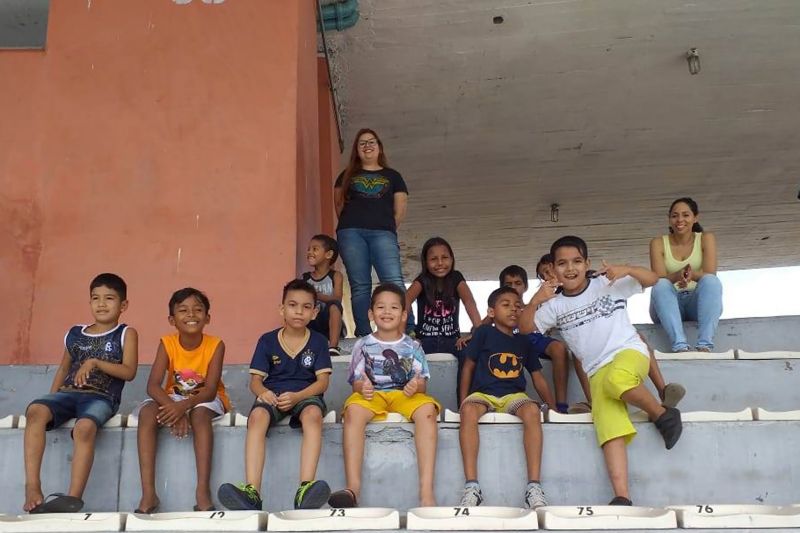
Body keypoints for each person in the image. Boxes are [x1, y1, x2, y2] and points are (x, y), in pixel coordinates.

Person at [521, 236, 682, 505]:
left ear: (587, 263)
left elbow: (654, 278)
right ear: (554, 268)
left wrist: (627, 269)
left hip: (628, 353)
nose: (569, 268)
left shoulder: (606, 282)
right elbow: (526, 329)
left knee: (617, 380)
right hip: (596, 372)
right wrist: (535, 301)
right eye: (562, 263)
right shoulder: (554, 304)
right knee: (609, 430)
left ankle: (662, 414)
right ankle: (622, 496)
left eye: (576, 261)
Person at [23, 273, 138, 513]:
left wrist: (95, 362)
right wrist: (51, 400)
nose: (102, 304)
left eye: (109, 298)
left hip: (101, 397)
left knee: (84, 427)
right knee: (35, 410)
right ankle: (33, 486)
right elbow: (64, 367)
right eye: (95, 298)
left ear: (123, 305)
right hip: (66, 394)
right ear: (89, 302)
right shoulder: (75, 333)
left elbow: (129, 372)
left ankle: (73, 497)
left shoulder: (126, 333)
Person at [217, 280, 332, 511]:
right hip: (274, 394)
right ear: (282, 309)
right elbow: (255, 382)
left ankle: (305, 488)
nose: (299, 311)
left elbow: (322, 383)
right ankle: (252, 493)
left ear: (314, 312)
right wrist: (264, 394)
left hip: (305, 394)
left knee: (312, 415)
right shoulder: (267, 340)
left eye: (306, 306)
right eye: (292, 305)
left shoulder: (319, 341)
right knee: (257, 417)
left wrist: (299, 397)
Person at [328, 283, 440, 508]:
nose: (387, 312)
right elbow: (356, 382)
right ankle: (353, 489)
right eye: (380, 307)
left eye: (394, 308)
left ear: (403, 314)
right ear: (371, 313)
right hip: (373, 396)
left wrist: (413, 387)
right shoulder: (363, 345)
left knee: (427, 411)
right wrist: (363, 388)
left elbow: (422, 384)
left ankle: (427, 493)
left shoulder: (413, 346)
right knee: (353, 412)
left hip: (403, 395)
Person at [458, 286, 555, 509]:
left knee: (532, 410)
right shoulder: (484, 333)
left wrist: (552, 406)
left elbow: (537, 376)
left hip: (514, 395)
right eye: (506, 305)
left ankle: (534, 487)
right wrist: (462, 400)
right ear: (491, 312)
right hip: (483, 394)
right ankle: (472, 487)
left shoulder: (524, 341)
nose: (514, 309)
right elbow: (468, 366)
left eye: (518, 306)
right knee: (470, 410)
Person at [135, 288, 230, 514]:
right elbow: (153, 385)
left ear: (207, 317)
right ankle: (148, 494)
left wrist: (183, 408)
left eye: (198, 310)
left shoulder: (216, 344)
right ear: (172, 319)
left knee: (199, 415)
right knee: (147, 413)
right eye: (183, 310)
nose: (191, 315)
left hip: (207, 399)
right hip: (174, 398)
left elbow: (209, 389)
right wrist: (173, 407)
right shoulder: (167, 343)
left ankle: (202, 492)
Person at [334, 128, 413, 337]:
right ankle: (363, 332)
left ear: (379, 147)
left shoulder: (393, 176)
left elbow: (400, 210)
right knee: (360, 284)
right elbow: (339, 206)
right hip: (351, 232)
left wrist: (384, 228)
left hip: (383, 233)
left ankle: (407, 329)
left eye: (371, 142)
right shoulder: (346, 176)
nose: (367, 146)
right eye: (362, 143)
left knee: (393, 280)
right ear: (356, 150)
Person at [405, 237, 481, 403]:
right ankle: (411, 403)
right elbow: (404, 302)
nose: (440, 263)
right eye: (433, 259)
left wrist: (478, 331)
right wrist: (403, 335)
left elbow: (469, 302)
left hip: (453, 340)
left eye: (445, 257)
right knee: (406, 357)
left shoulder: (456, 278)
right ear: (425, 262)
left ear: (452, 259)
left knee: (471, 355)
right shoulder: (422, 280)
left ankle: (466, 403)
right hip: (424, 340)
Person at [499, 264, 581, 414]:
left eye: (518, 283)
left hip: (535, 339)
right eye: (508, 284)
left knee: (559, 348)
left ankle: (560, 406)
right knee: (534, 371)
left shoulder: (534, 304)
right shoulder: (499, 307)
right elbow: (484, 322)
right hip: (514, 343)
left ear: (525, 286)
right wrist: (473, 333)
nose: (513, 287)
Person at [649, 197, 722, 352]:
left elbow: (710, 273)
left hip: (696, 304)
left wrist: (690, 275)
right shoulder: (658, 243)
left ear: (695, 217)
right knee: (660, 284)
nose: (680, 220)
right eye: (674, 216)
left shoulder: (706, 238)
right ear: (669, 219)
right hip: (667, 305)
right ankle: (680, 347)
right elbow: (657, 278)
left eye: (685, 215)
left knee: (712, 281)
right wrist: (677, 276)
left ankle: (704, 346)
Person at [303, 234, 345, 356]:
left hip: (329, 320)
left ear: (328, 254)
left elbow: (337, 298)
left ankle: (333, 347)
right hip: (313, 321)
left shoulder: (336, 276)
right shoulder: (305, 278)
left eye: (314, 249)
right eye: (308, 249)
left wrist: (316, 295)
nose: (309, 252)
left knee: (334, 305)